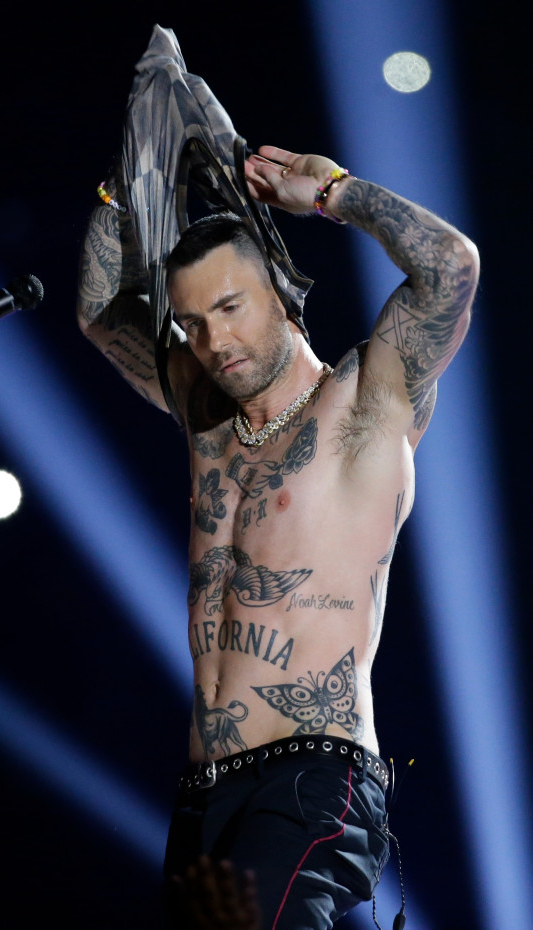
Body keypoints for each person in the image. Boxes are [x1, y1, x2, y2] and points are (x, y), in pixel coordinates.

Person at [77, 55, 479, 930]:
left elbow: (450, 267)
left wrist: (331, 192)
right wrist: (131, 174)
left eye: (230, 308)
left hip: (313, 779)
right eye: (192, 323)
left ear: (283, 296)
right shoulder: (207, 418)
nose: (212, 341)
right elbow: (100, 310)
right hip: (203, 795)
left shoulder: (365, 402)